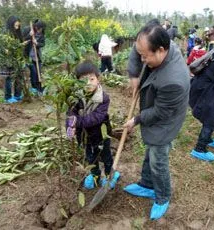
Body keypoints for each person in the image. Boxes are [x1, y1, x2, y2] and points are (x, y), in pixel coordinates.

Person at [123, 23, 190, 220]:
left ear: (161, 50)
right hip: (158, 108)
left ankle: (162, 196)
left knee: (158, 158)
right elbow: (137, 52)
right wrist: (134, 75)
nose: (142, 59)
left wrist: (136, 119)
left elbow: (160, 112)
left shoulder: (173, 80)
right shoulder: (160, 44)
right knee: (150, 149)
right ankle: (146, 183)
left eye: (146, 57)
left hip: (166, 119)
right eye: (141, 55)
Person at [66, 61, 120, 189]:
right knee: (90, 157)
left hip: (101, 135)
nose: (88, 83)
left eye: (91, 79)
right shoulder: (76, 97)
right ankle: (95, 175)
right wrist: (69, 125)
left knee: (105, 156)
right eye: (83, 80)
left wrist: (77, 122)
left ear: (98, 79)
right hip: (85, 136)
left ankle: (109, 175)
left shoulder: (103, 98)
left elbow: (96, 118)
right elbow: (70, 113)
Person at [0, 16, 24, 103]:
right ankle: (8, 97)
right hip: (6, 60)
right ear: (11, 24)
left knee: (19, 76)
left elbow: (18, 45)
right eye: (15, 26)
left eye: (18, 26)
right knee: (8, 78)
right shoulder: (5, 33)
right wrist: (5, 49)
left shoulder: (17, 33)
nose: (17, 28)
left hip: (16, 59)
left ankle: (17, 95)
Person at [24, 19, 46, 95]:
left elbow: (43, 43)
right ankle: (33, 87)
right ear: (36, 27)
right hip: (29, 56)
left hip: (37, 56)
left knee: (38, 72)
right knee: (33, 71)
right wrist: (29, 35)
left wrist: (37, 43)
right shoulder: (28, 30)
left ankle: (39, 88)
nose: (40, 30)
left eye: (41, 29)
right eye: (39, 29)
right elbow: (22, 40)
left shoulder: (41, 34)